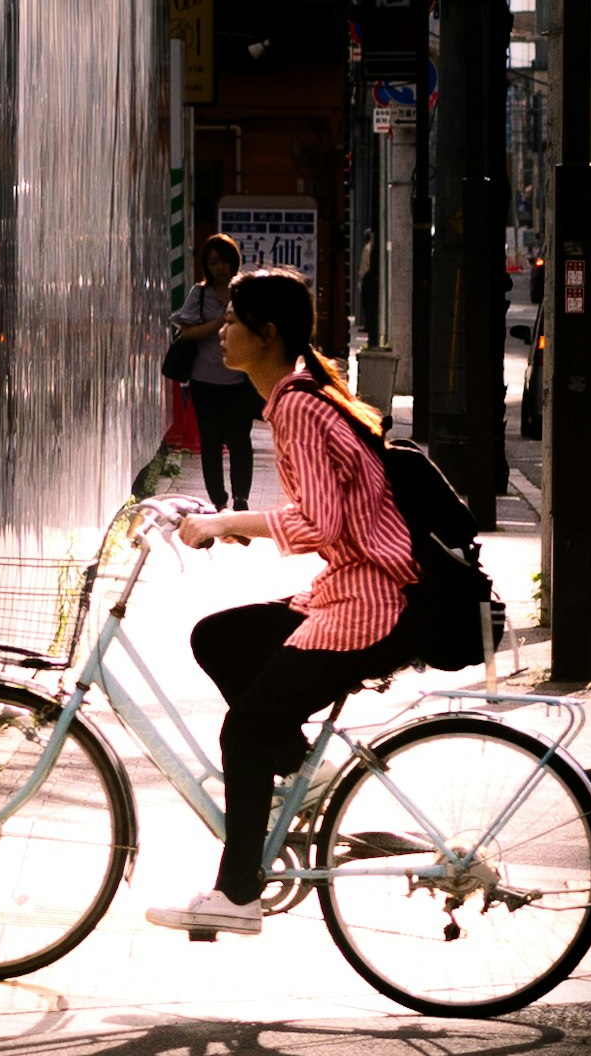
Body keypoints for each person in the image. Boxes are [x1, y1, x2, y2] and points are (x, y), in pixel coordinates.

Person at [146, 264, 415, 939]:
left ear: (267, 335)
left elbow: (318, 524)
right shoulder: (297, 396)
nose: (223, 331)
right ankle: (301, 768)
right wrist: (221, 520)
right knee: (220, 638)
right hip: (347, 591)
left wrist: (226, 522)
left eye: (234, 320)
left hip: (367, 604)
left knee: (243, 731)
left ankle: (237, 894)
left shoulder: (296, 404)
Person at [166, 230, 254, 506]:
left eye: (224, 261)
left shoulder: (245, 293)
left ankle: (241, 497)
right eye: (214, 262)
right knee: (211, 443)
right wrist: (218, 324)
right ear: (207, 264)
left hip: (239, 380)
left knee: (241, 441)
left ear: (234, 262)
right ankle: (218, 498)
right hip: (204, 381)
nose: (219, 267)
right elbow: (187, 332)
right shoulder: (199, 294)